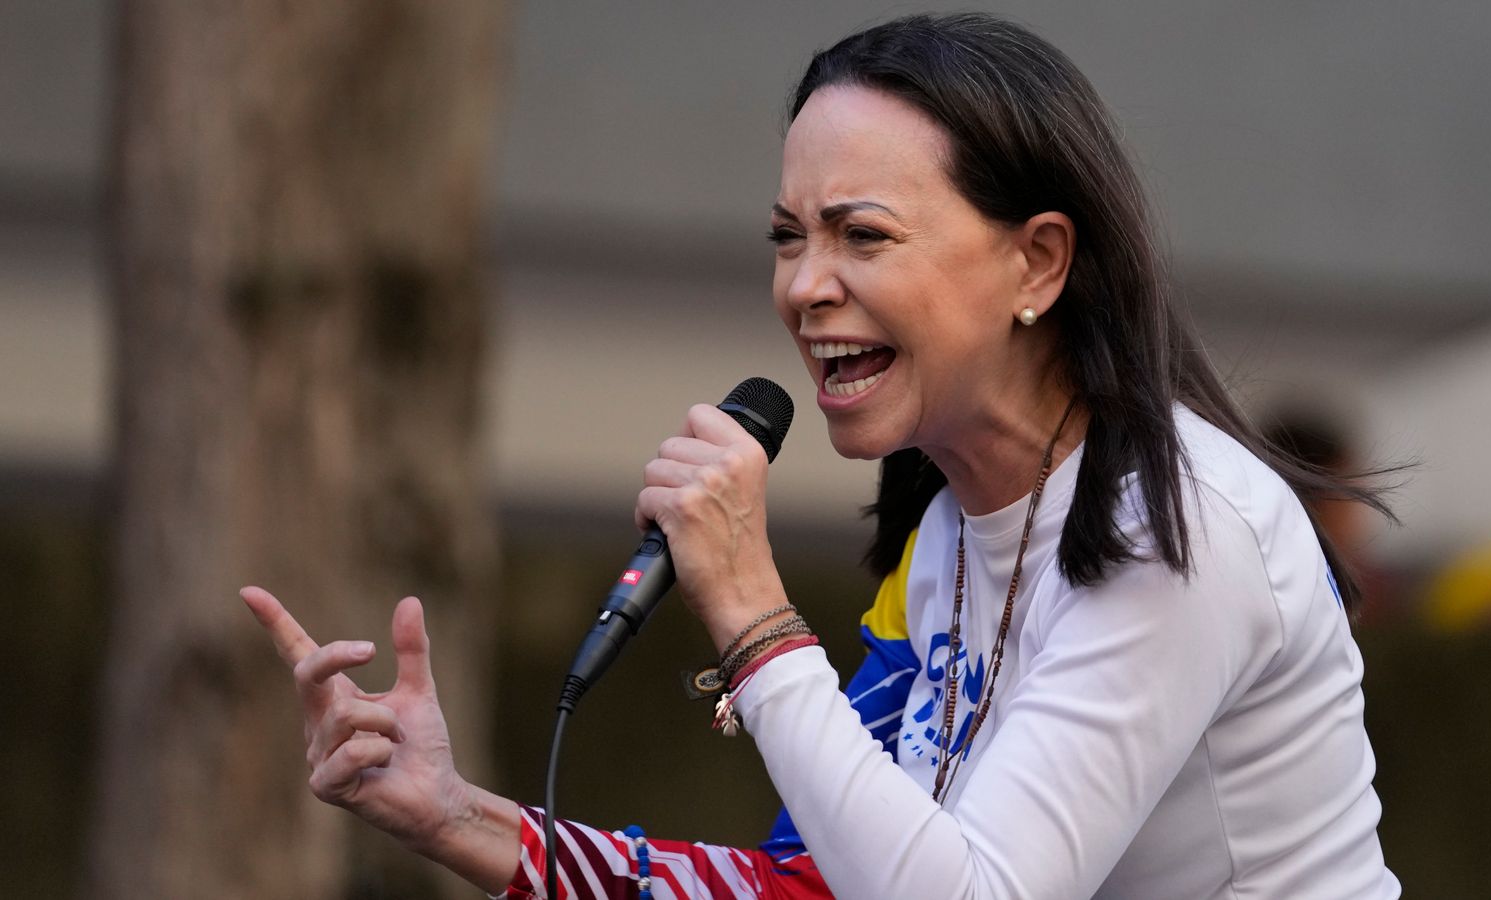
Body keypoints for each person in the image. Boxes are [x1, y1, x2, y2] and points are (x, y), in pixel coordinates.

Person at [244, 13, 1401, 898]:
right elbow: (816, 887)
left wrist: (752, 613)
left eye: (863, 235)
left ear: (1038, 264)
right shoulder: (947, 531)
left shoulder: (1176, 525)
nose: (804, 287)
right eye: (789, 238)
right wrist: (460, 818)